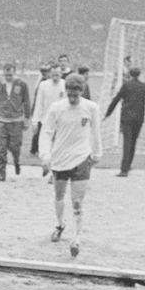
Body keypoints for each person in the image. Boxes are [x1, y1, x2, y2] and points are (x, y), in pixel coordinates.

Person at [39, 74, 103, 257]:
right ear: (66, 90)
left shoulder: (91, 108)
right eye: (70, 92)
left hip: (82, 158)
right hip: (60, 159)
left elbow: (96, 132)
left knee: (77, 200)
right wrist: (45, 154)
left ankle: (76, 237)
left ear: (81, 91)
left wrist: (97, 153)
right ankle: (60, 225)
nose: (72, 95)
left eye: (76, 92)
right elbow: (47, 132)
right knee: (59, 196)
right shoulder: (56, 108)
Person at [103, 67, 145, 177]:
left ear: (129, 74)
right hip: (138, 118)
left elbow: (116, 99)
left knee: (127, 142)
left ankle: (124, 170)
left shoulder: (126, 86)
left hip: (127, 118)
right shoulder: (144, 86)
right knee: (133, 142)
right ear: (139, 75)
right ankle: (128, 166)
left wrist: (108, 113)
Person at [0, 63, 31, 181]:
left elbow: (26, 102)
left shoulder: (22, 85)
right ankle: (2, 173)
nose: (8, 76)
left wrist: (27, 119)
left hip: (16, 121)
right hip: (2, 121)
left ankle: (16, 161)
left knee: (15, 146)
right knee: (1, 148)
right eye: (6, 74)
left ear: (14, 72)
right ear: (3, 73)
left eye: (10, 74)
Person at [31, 64, 65, 168]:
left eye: (58, 74)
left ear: (61, 74)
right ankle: (48, 164)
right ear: (50, 74)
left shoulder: (65, 84)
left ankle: (54, 172)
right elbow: (39, 104)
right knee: (46, 147)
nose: (56, 76)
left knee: (58, 147)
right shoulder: (43, 85)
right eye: (53, 74)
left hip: (61, 122)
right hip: (46, 122)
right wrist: (35, 122)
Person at [29, 63, 51, 155]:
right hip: (40, 110)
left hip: (44, 109)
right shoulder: (42, 83)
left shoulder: (45, 82)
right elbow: (38, 99)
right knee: (38, 130)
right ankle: (35, 149)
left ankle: (37, 148)